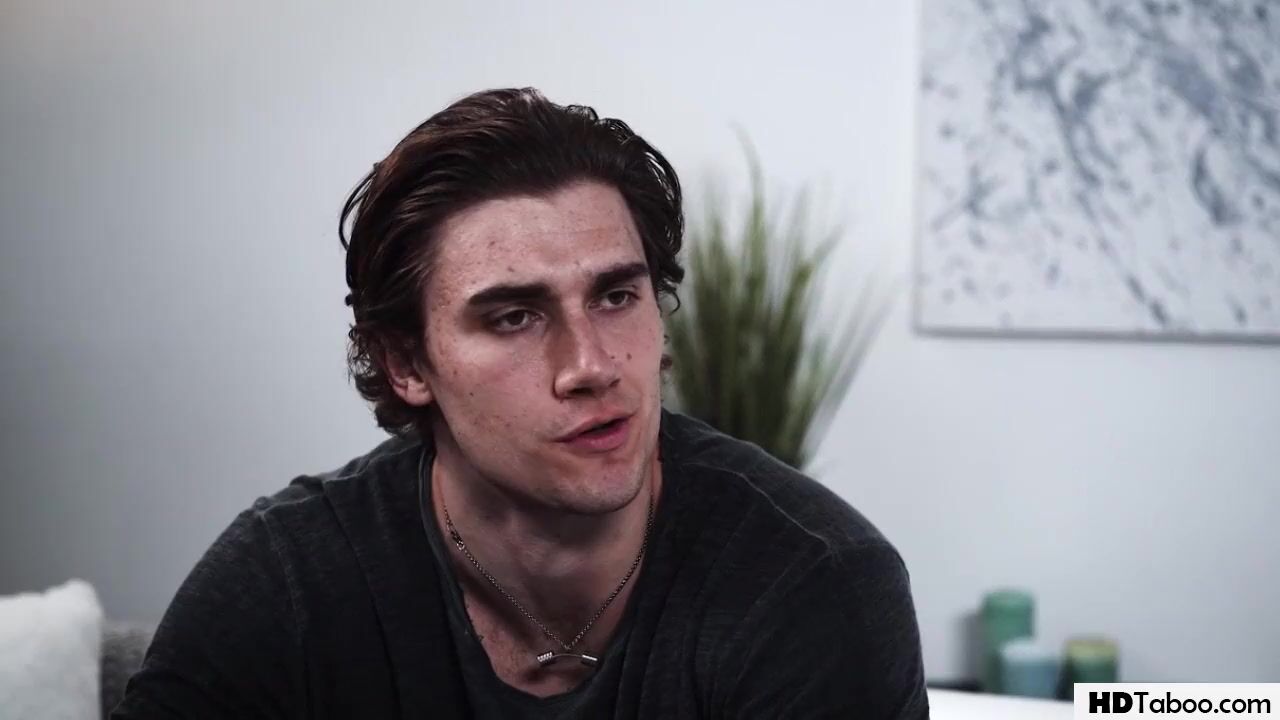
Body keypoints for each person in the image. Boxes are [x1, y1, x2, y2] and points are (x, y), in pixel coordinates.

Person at [113, 87, 929, 719]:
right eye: (513, 316)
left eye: (616, 296)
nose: (591, 366)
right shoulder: (287, 584)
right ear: (406, 363)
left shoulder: (813, 583)